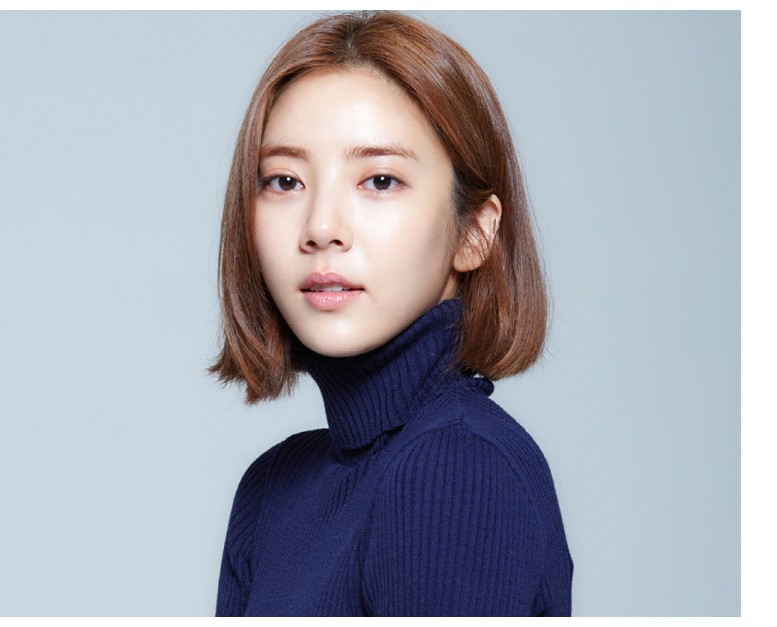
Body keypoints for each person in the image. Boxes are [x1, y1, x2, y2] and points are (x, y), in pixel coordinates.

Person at [210, 11, 572, 617]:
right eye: (284, 181)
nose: (321, 227)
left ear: (474, 232)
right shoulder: (272, 487)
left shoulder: (454, 468)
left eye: (379, 180)